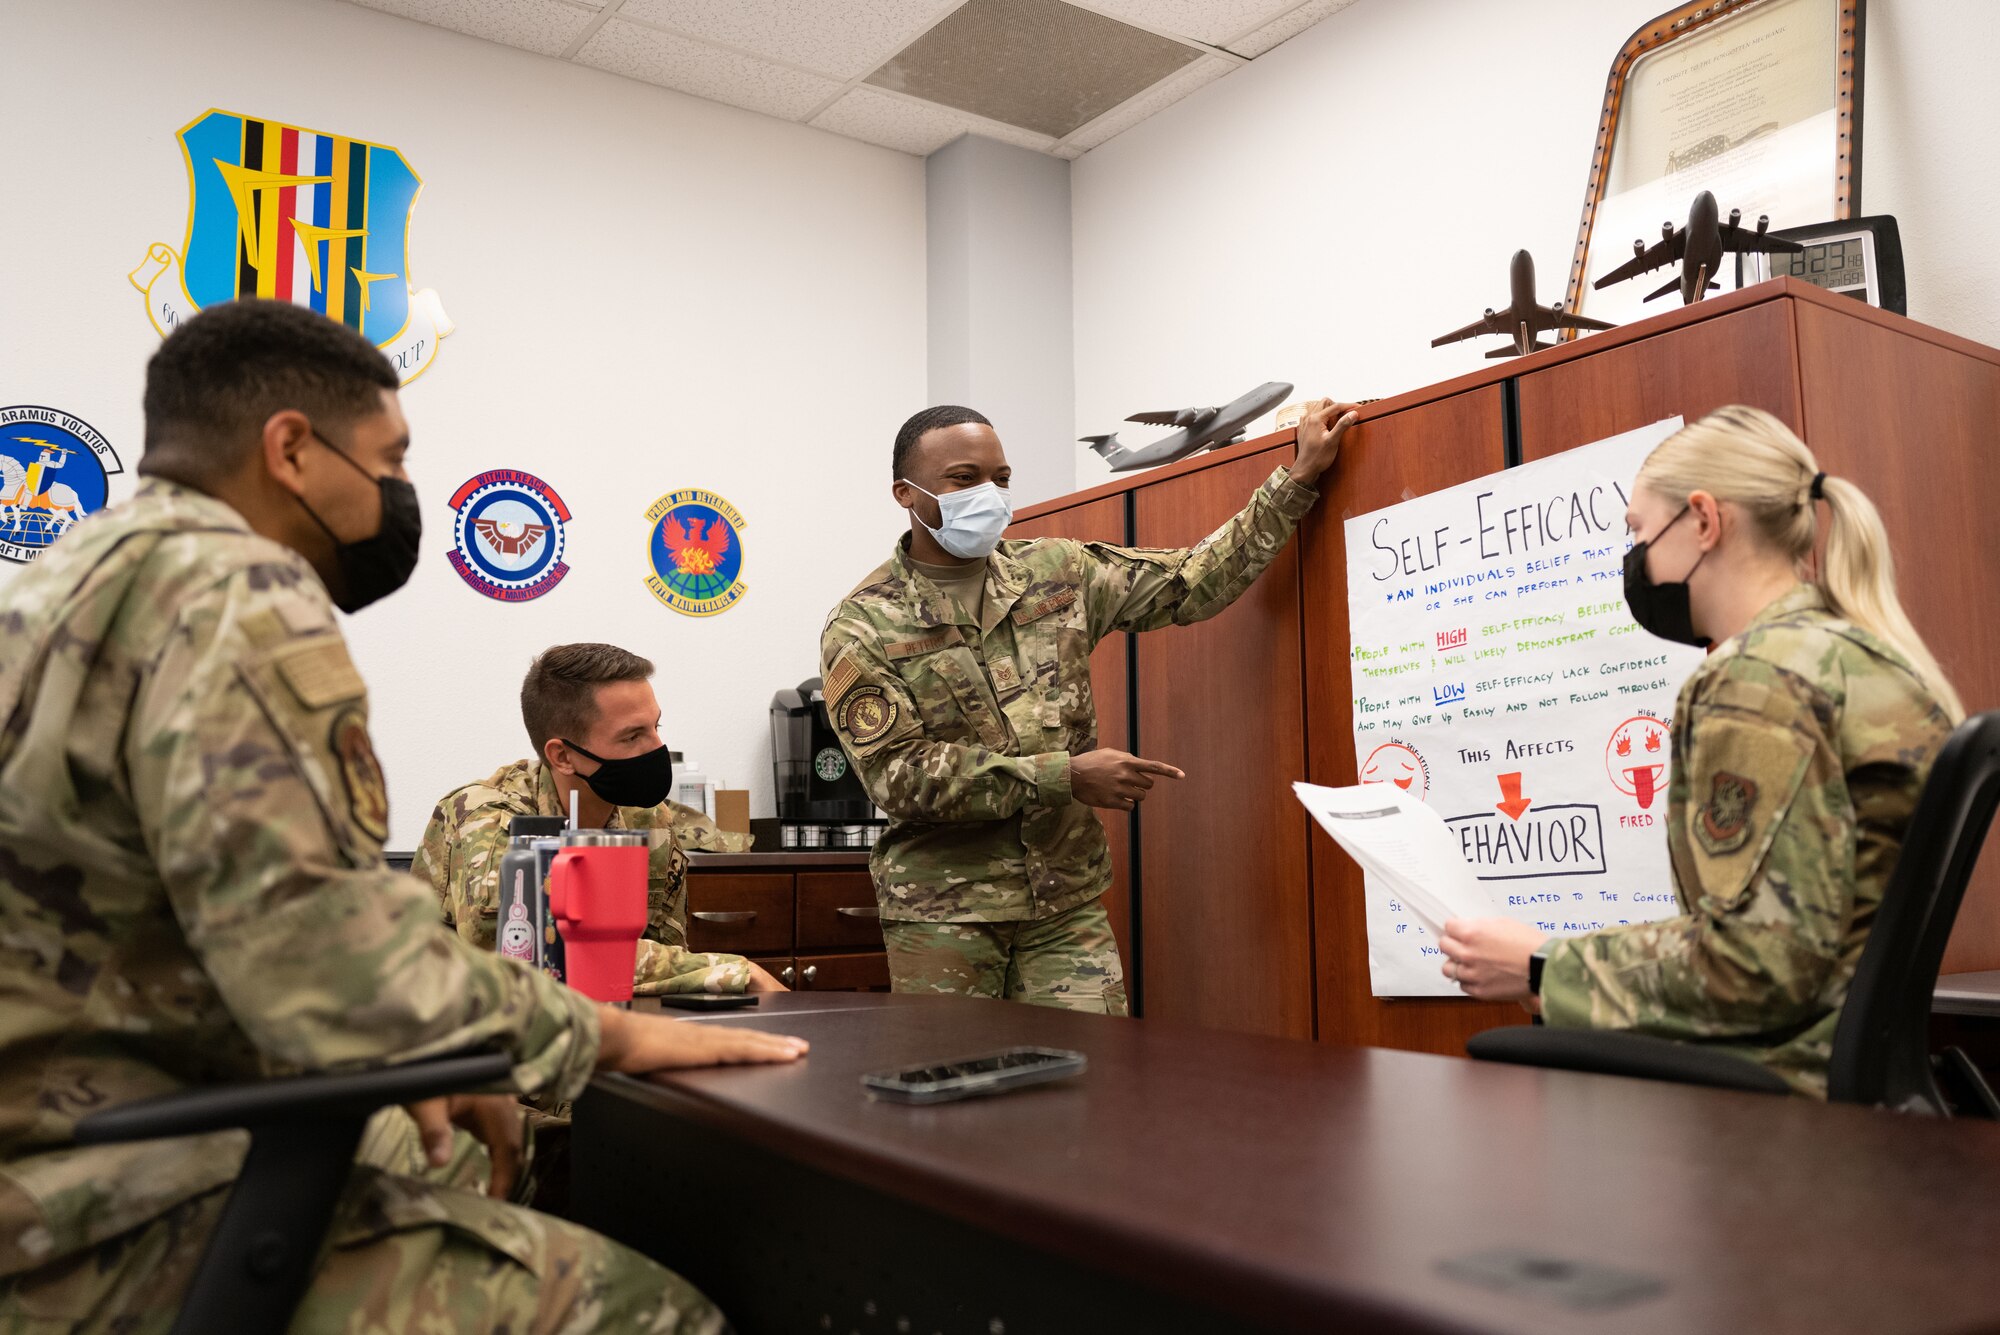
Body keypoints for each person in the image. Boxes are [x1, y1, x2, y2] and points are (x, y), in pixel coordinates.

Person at [0, 298, 806, 1332]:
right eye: (389, 459)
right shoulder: (235, 590)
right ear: (291, 448)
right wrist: (611, 1038)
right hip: (101, 1202)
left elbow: (187, 932)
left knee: (450, 1140)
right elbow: (336, 965)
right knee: (658, 1312)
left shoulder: (66, 583)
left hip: (85, 1116)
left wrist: (401, 1057)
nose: (398, 491)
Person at [1438, 405, 1962, 1097]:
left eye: (1638, 533)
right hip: (1857, 1088)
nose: (1636, 560)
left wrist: (1543, 966)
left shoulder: (1758, 680)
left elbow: (1758, 966)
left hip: (1787, 1098)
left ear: (1705, 521)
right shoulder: (1868, 658)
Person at [820, 399, 1358, 1012]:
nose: (990, 496)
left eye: (1001, 479)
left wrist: (1297, 479)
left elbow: (1191, 582)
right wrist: (1065, 776)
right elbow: (900, 778)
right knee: (957, 1095)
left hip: (1064, 900)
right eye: (964, 480)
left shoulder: (1056, 572)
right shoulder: (862, 624)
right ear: (906, 493)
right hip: (947, 913)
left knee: (1091, 1088)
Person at [411, 641, 783, 996]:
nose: (656, 748)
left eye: (656, 727)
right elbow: (529, 955)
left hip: (598, 1020)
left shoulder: (648, 820)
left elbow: (664, 957)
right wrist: (733, 973)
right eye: (632, 736)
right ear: (562, 757)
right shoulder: (487, 816)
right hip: (455, 1032)